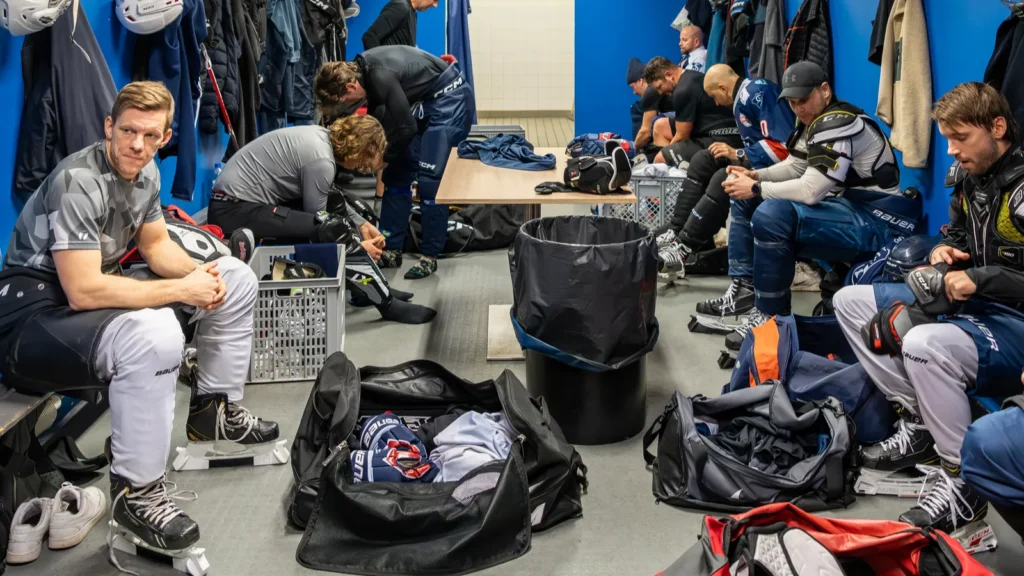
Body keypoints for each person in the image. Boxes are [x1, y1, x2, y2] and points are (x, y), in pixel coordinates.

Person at [0, 81, 277, 555]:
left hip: (74, 305)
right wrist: (180, 291)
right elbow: (83, 289)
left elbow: (155, 247)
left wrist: (203, 278)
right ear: (109, 126)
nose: (137, 145)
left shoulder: (145, 171)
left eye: (151, 136)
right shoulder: (79, 180)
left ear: (166, 137)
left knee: (235, 275)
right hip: (27, 319)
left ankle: (215, 414)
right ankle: (137, 496)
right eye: (127, 131)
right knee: (154, 333)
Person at [833, 82, 1024, 537]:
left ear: (997, 127)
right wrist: (946, 254)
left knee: (921, 343)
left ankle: (966, 479)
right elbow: (959, 237)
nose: (953, 150)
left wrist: (979, 277)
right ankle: (922, 426)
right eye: (948, 140)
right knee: (851, 302)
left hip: (1015, 321)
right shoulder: (969, 179)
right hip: (973, 302)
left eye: (961, 137)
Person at [713, 61, 917, 350]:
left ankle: (773, 321)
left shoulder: (837, 122)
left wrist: (758, 188)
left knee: (772, 214)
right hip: (852, 209)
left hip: (881, 220)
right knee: (747, 200)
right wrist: (755, 175)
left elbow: (811, 190)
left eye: (804, 100)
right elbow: (795, 167)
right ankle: (747, 291)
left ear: (824, 90)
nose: (799, 109)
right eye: (793, 103)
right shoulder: (812, 121)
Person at [207, 116, 437, 325]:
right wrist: (357, 247)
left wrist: (361, 224)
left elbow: (329, 197)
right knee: (332, 230)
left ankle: (365, 290)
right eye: (364, 160)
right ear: (358, 148)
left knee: (340, 204)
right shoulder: (321, 160)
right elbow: (322, 225)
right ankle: (385, 303)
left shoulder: (321, 140)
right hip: (234, 210)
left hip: (242, 203)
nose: (362, 167)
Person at [314, 45, 476, 279]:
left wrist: (383, 158)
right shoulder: (363, 72)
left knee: (430, 181)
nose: (347, 106)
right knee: (396, 175)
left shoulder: (379, 75)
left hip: (451, 99)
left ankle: (429, 256)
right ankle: (391, 247)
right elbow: (381, 120)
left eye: (344, 100)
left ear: (351, 86)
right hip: (424, 101)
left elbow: (407, 129)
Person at [656, 64, 795, 278]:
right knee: (704, 159)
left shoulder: (759, 93)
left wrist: (738, 154)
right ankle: (676, 230)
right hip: (760, 162)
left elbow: (784, 148)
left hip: (781, 169)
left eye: (714, 96)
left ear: (722, 88)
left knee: (725, 178)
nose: (715, 102)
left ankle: (683, 248)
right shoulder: (741, 100)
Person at [643, 56, 742, 167]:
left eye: (660, 86)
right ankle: (679, 168)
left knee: (660, 159)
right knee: (660, 126)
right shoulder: (690, 76)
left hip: (721, 138)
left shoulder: (682, 91)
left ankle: (678, 173)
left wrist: (666, 153)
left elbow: (682, 136)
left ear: (669, 75)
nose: (660, 92)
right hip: (712, 127)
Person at [626, 58, 675, 151]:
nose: (634, 92)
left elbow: (645, 133)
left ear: (640, 81)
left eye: (633, 87)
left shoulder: (651, 93)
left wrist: (632, 152)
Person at [362, 0, 439, 49]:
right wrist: (378, 69)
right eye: (435, 0)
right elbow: (370, 37)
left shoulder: (413, 13)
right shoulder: (401, 8)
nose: (435, 5)